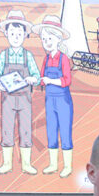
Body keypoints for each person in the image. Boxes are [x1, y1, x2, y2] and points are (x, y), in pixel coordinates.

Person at [0, 9, 40, 175]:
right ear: (6, 34)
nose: (16, 37)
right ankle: (7, 164)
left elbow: (37, 76)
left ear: (25, 34)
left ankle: (26, 164)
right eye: (12, 33)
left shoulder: (28, 56)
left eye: (19, 34)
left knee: (26, 129)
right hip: (7, 99)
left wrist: (32, 79)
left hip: (25, 99)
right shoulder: (3, 55)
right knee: (7, 129)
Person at [33, 15, 74, 178]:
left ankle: (67, 166)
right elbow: (42, 79)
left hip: (63, 100)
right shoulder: (46, 59)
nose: (47, 42)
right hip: (49, 100)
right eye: (44, 39)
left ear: (58, 39)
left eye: (49, 38)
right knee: (51, 131)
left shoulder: (63, 59)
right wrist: (35, 80)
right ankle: (53, 164)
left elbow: (67, 80)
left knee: (65, 131)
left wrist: (50, 80)